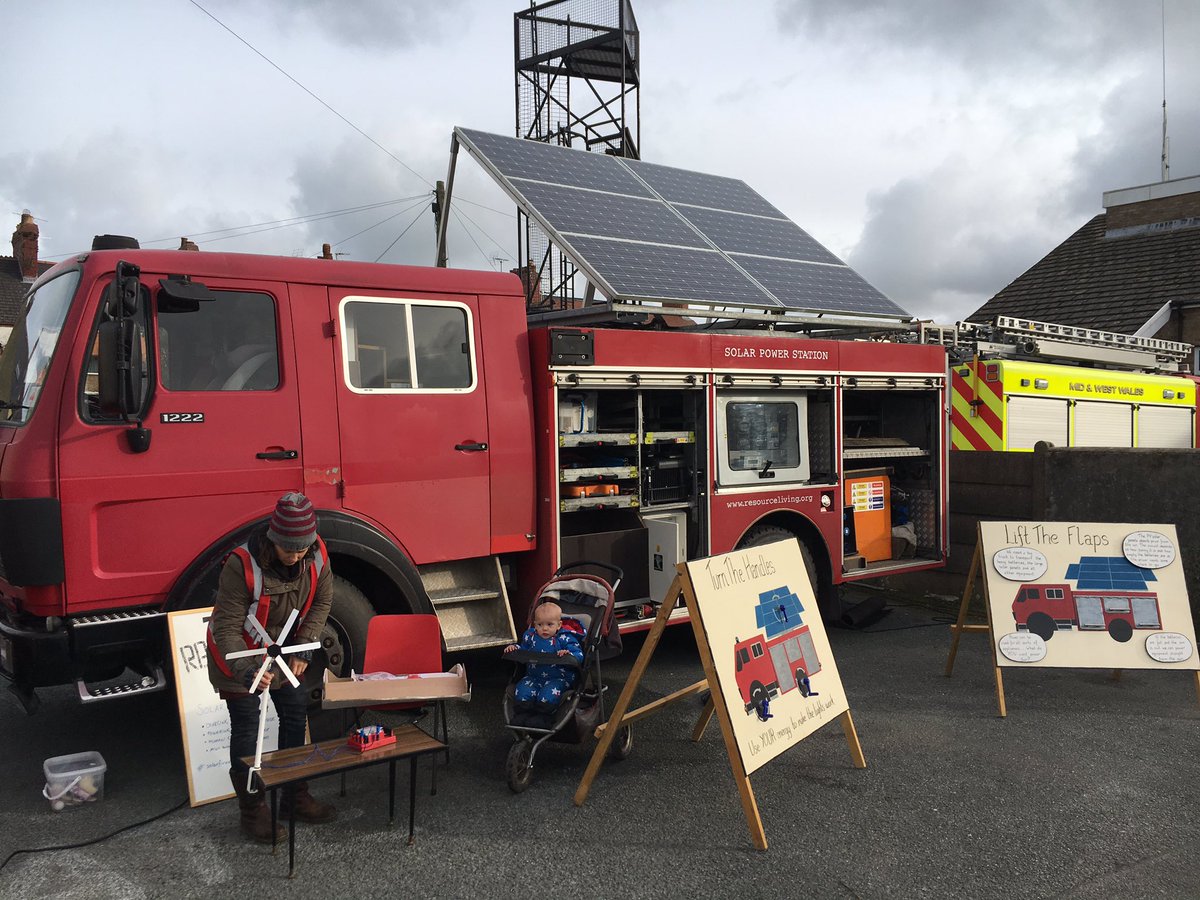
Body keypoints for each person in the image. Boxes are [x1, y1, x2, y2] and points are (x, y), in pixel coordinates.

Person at [206, 492, 337, 844]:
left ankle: (294, 796)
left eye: (302, 549)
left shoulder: (317, 555)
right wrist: (248, 671)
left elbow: (322, 600)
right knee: (247, 727)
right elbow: (226, 628)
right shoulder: (242, 566)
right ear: (273, 538)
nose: (295, 556)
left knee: (295, 712)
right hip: (237, 652)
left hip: (283, 648)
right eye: (288, 549)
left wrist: (304, 645)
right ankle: (252, 811)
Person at [504, 601, 584, 713]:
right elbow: (523, 649)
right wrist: (514, 648)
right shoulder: (530, 636)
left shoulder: (565, 638)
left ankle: (544, 715)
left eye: (549, 624)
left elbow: (579, 656)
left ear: (559, 625)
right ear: (534, 624)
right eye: (540, 625)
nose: (544, 628)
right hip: (533, 676)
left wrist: (568, 654)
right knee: (522, 691)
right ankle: (523, 713)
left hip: (558, 678)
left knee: (548, 695)